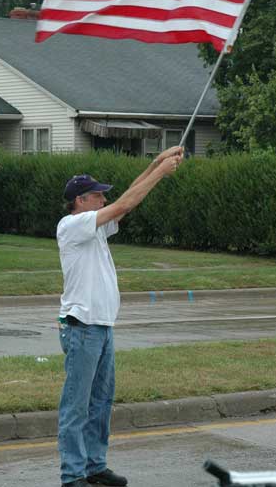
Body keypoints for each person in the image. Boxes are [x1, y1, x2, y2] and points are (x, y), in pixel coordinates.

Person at [56, 146, 184, 487]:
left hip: (102, 326)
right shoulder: (72, 225)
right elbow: (124, 204)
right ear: (80, 201)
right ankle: (72, 476)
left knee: (100, 402)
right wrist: (161, 172)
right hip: (81, 327)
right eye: (97, 195)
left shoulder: (95, 228)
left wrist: (156, 163)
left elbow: (127, 201)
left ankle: (95, 466)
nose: (103, 199)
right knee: (76, 406)